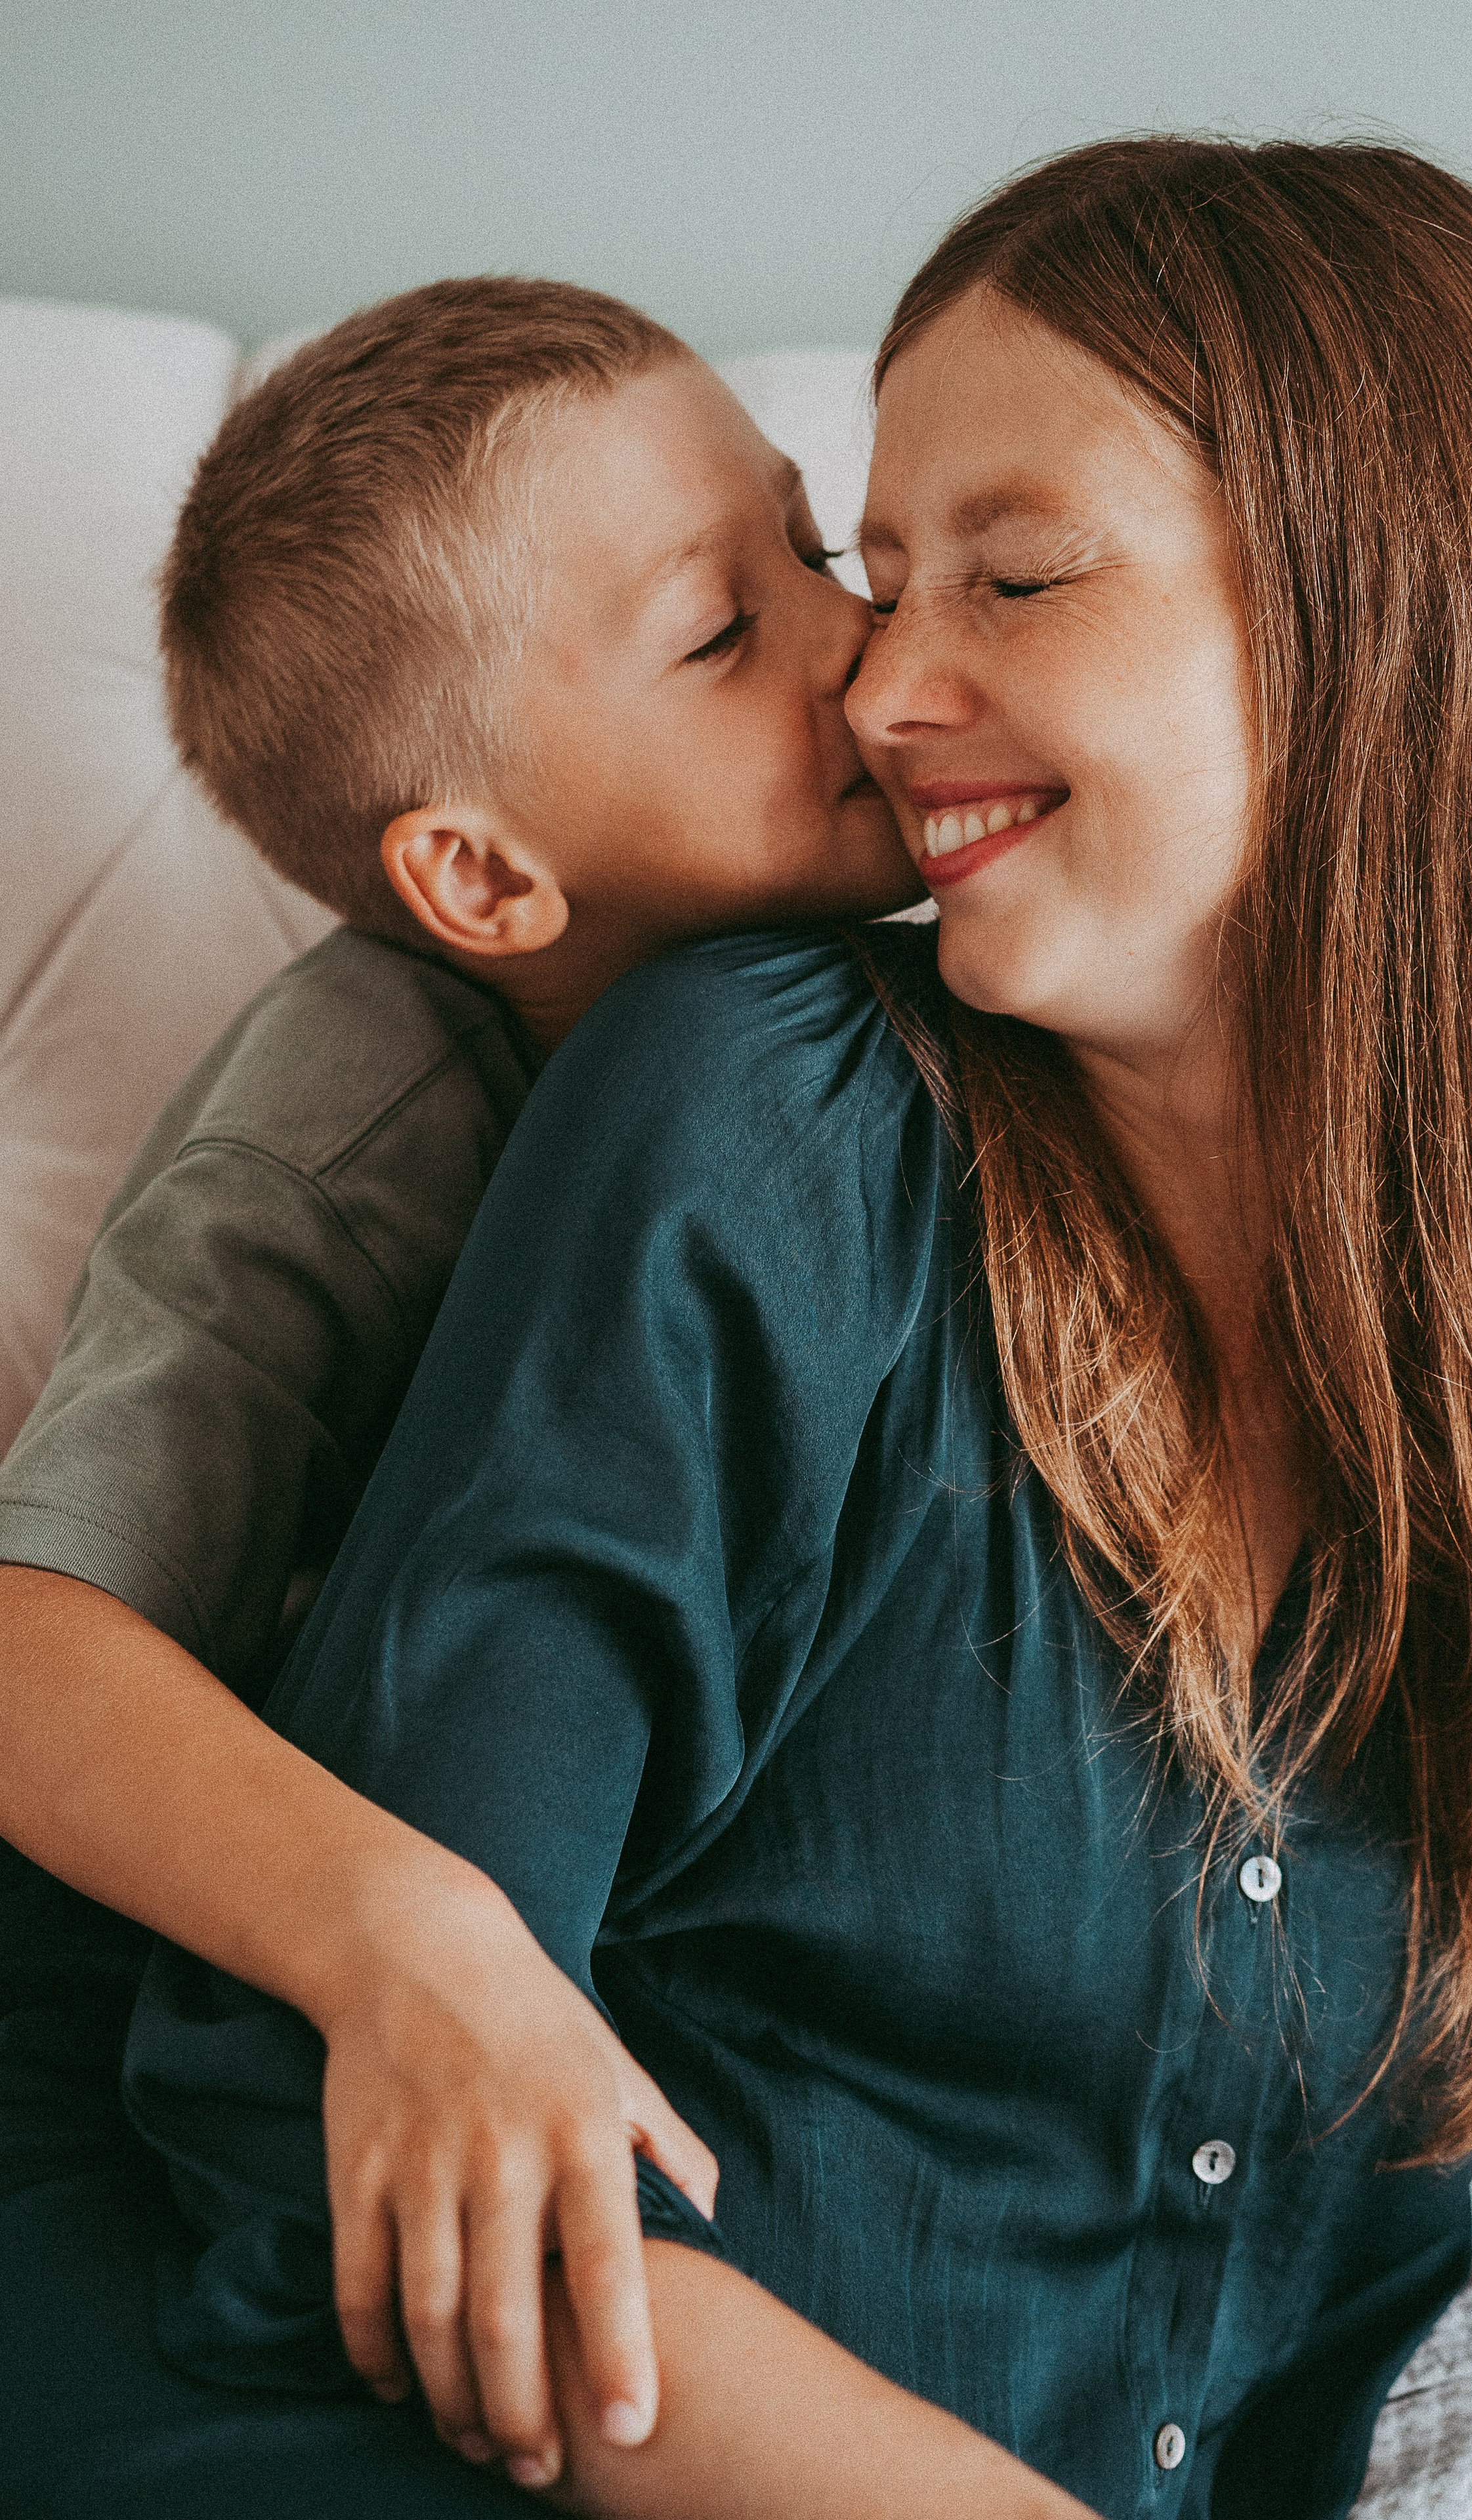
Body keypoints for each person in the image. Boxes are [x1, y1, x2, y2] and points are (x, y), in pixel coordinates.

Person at [17, 132, 1472, 2519]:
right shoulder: (681, 1094)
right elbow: (273, 2058)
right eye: (854, 583)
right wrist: (392, 1920)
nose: (886, 685)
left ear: (1387, 617)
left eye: (998, 571)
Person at [0, 274, 925, 2496]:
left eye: (815, 549)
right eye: (725, 630)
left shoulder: (894, 995)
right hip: (195, 1943)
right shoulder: (346, 1115)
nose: (856, 640)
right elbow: (37, 1649)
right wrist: (420, 1935)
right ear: (486, 874)